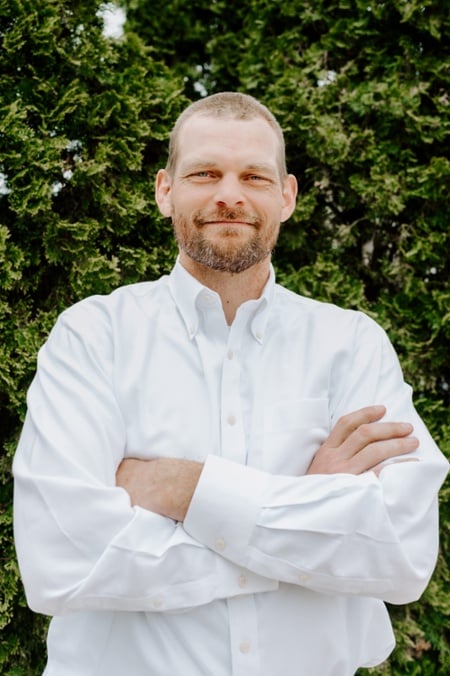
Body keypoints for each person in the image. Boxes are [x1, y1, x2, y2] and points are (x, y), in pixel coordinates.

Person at [13, 92, 448, 676]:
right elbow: (61, 562)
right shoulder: (93, 337)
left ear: (286, 196)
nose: (229, 195)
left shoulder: (352, 345)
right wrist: (311, 511)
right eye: (205, 173)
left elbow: (400, 555)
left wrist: (181, 487)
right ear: (165, 190)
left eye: (254, 176)